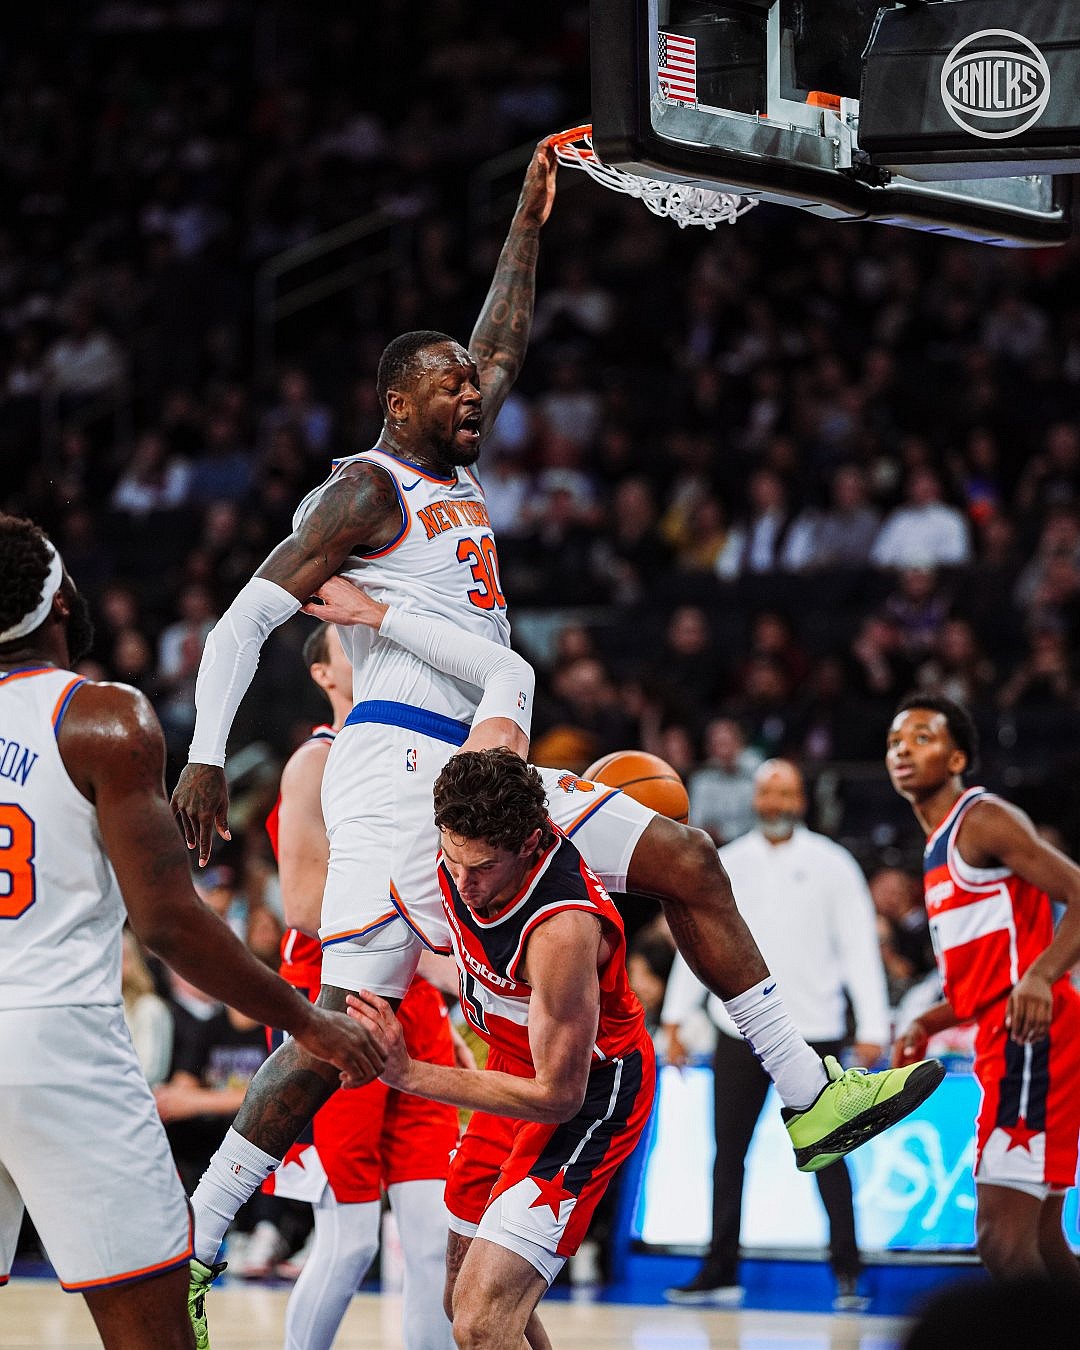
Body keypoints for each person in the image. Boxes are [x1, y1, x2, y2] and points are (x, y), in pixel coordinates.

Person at [172, 141, 943, 1336]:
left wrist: (528, 223)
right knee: (340, 1028)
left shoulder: (451, 462)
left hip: (483, 754)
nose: (472, 395)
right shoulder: (364, 491)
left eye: (471, 387)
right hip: (398, 766)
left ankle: (808, 1092)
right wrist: (206, 753)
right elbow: (243, 619)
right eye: (447, 387)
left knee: (685, 856)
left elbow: (501, 344)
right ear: (396, 402)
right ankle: (198, 1237)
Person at [0, 514, 380, 1350]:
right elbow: (169, 924)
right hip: (57, 1041)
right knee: (155, 1333)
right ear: (60, 600)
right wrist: (307, 1019)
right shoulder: (101, 717)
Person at [348, 748, 656, 1350]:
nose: (463, 883)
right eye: (453, 860)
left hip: (589, 1096)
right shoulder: (456, 849)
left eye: (484, 867)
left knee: (483, 1323)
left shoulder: (561, 929)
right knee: (461, 1298)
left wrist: (409, 1072)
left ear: (530, 843)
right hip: (510, 1069)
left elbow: (557, 1096)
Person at [264, 623, 459, 1350]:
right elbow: (303, 908)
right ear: (324, 673)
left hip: (414, 1006)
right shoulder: (315, 761)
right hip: (333, 1002)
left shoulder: (414, 757)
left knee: (434, 1240)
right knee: (350, 1240)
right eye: (349, 642)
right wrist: (424, 940)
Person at [661, 759, 892, 1311]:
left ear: (802, 801)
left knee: (831, 1150)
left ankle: (848, 1270)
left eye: (786, 793)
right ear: (755, 800)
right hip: (739, 1028)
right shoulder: (727, 860)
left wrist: (873, 1024)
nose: (777, 803)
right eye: (768, 793)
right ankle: (720, 1270)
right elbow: (697, 939)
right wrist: (676, 1016)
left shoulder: (834, 864)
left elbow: (860, 947)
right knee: (728, 1155)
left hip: (815, 1030)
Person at [886, 694, 1080, 1287]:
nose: (903, 751)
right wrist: (930, 1020)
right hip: (1009, 1035)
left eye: (922, 738)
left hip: (1032, 1035)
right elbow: (987, 982)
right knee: (1042, 1241)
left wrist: (1042, 974)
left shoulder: (981, 819)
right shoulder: (936, 848)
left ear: (957, 759)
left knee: (1001, 1241)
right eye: (895, 742)